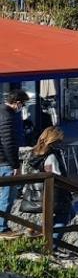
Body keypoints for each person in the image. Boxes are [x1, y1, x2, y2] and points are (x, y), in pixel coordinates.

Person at [27, 127, 73, 235]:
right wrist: (69, 189)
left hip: (44, 192)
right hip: (56, 194)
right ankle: (51, 245)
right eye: (59, 141)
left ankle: (41, 230)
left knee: (71, 212)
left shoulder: (36, 154)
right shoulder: (51, 155)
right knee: (64, 217)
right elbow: (56, 175)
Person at [0, 90, 29, 237]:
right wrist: (15, 166)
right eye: (23, 104)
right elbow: (8, 143)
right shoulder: (7, 116)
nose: (22, 107)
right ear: (17, 102)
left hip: (3, 160)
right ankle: (2, 228)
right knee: (7, 196)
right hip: (5, 162)